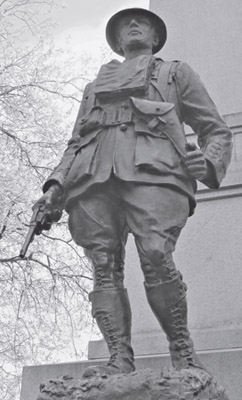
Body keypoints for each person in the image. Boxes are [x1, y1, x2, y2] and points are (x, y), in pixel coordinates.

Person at [35, 8, 232, 378]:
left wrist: (206, 163)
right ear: (117, 40)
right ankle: (118, 358)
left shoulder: (176, 73)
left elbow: (216, 131)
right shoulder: (94, 87)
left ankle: (183, 353)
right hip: (93, 178)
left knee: (157, 254)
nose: (134, 26)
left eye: (142, 23)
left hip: (155, 172)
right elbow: (76, 141)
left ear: (156, 38)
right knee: (104, 268)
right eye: (126, 25)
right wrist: (55, 186)